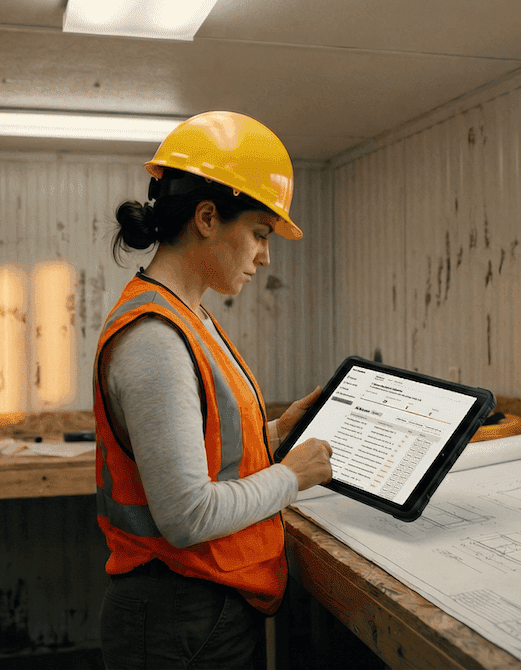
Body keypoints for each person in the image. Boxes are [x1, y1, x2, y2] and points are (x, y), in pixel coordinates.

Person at [93, 110, 335, 669]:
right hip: (179, 615)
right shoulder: (155, 338)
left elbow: (208, 453)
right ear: (206, 218)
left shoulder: (188, 316)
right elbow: (188, 514)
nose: (265, 256)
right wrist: (291, 476)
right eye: (259, 234)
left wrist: (278, 432)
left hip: (198, 606)